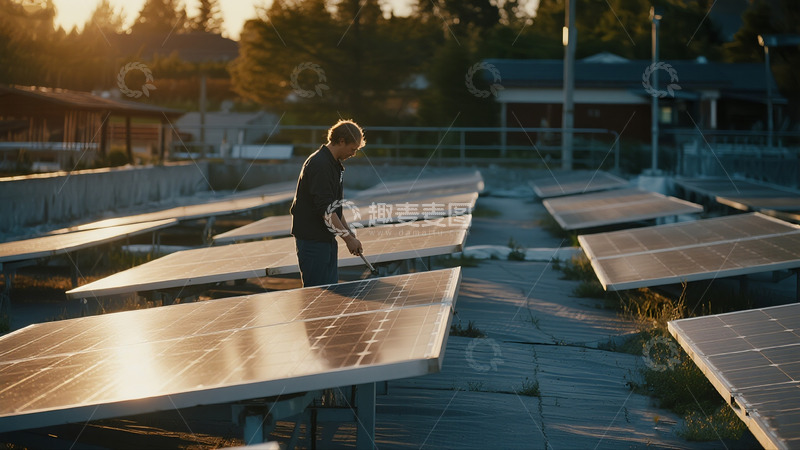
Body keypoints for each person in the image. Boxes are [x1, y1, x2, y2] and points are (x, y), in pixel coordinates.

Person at [290, 119, 365, 287]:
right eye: (353, 149)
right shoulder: (320, 164)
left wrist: (349, 234)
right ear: (341, 141)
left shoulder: (333, 164)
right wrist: (348, 240)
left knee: (330, 293)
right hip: (313, 240)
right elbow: (326, 211)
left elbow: (335, 208)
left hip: (325, 239)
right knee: (319, 295)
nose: (353, 154)